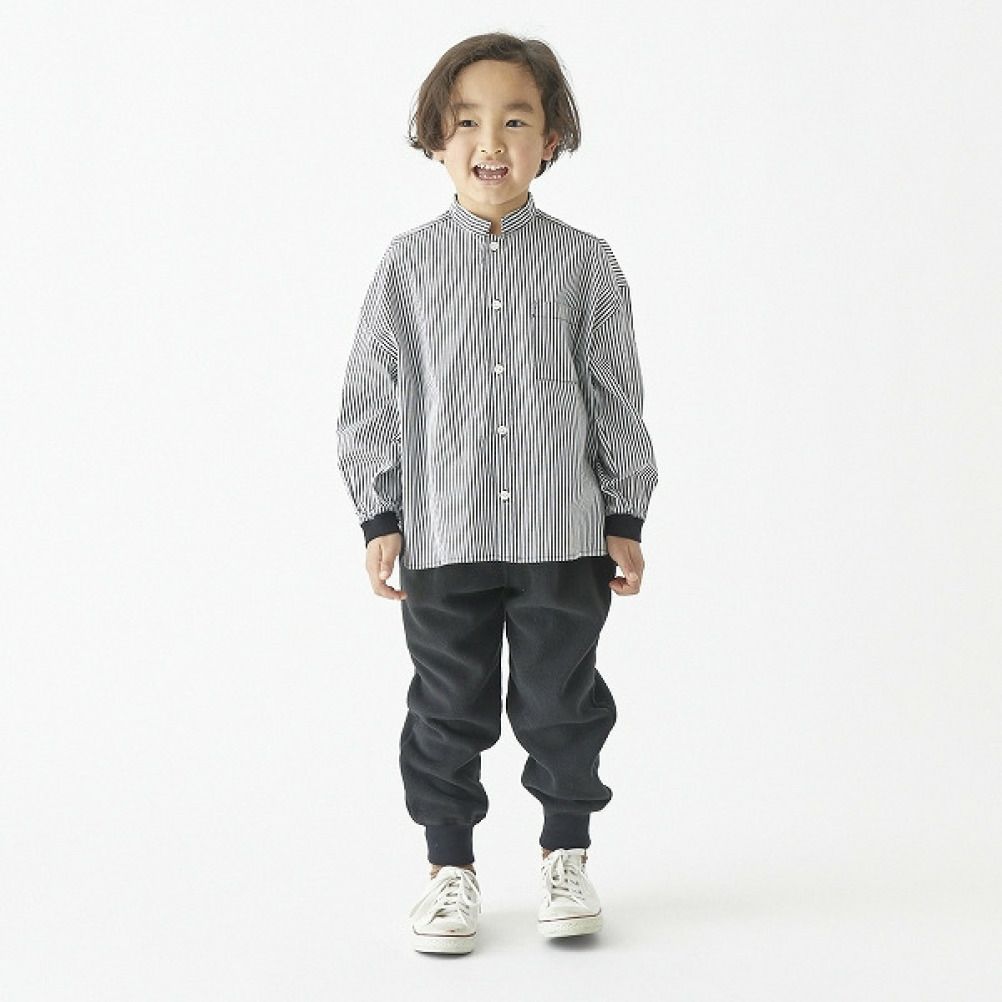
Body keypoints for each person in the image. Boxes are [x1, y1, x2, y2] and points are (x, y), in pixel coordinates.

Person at [336, 31, 658, 954]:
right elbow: (370, 396)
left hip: (564, 533)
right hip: (444, 532)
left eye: (515, 121)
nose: (491, 141)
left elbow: (614, 393)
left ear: (549, 139)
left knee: (564, 703)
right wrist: (380, 514)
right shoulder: (407, 266)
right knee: (447, 707)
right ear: (436, 139)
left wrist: (624, 513)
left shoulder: (586, 263)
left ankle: (567, 855)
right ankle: (450, 870)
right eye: (467, 121)